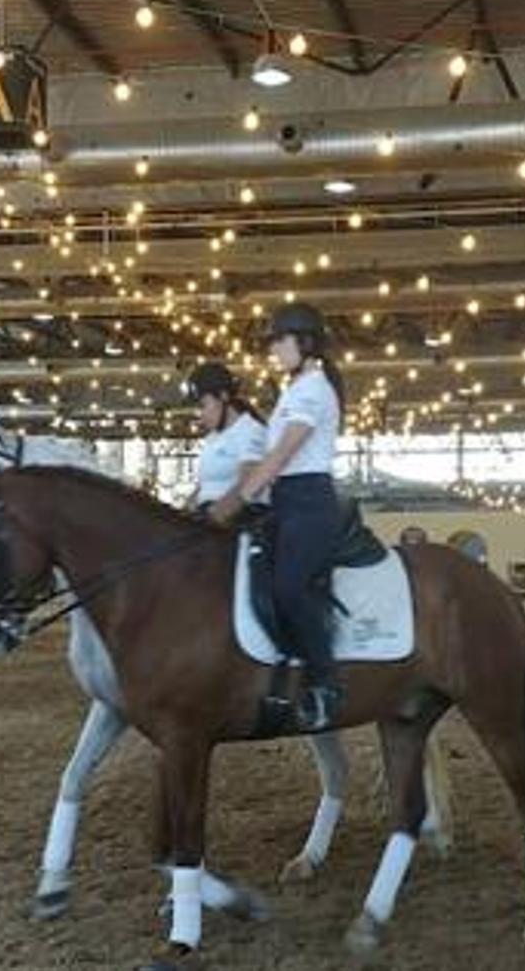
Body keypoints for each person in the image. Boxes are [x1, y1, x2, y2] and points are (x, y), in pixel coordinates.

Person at [211, 303, 346, 731]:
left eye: (280, 341)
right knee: (256, 577)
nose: (274, 350)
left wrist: (238, 499)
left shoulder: (314, 390)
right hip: (285, 501)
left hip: (309, 500)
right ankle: (276, 672)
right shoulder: (294, 389)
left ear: (304, 342)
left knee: (290, 587)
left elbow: (282, 454)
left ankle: (325, 684)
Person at [184, 362, 266, 516]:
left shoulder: (251, 431)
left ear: (223, 396)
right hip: (207, 517)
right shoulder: (213, 438)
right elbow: (203, 487)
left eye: (203, 405)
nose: (201, 414)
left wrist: (215, 516)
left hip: (237, 521)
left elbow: (249, 482)